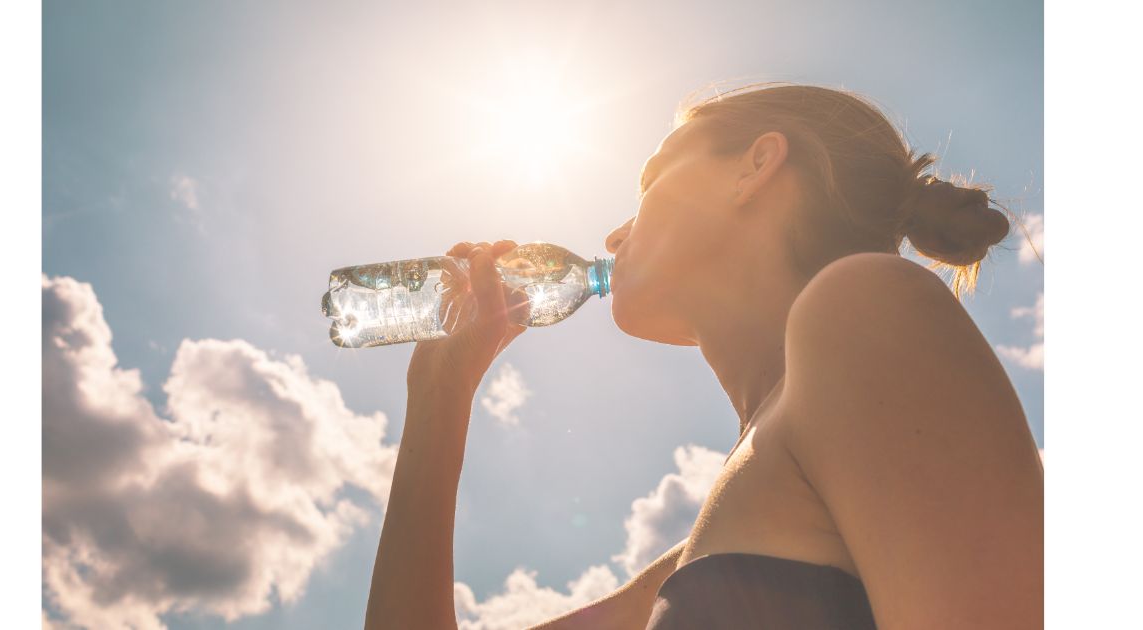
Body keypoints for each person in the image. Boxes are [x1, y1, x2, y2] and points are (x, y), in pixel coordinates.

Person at [364, 82, 1044, 629]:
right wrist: (439, 394)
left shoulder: (867, 305)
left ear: (755, 166)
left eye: (650, 182)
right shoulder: (693, 561)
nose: (614, 234)